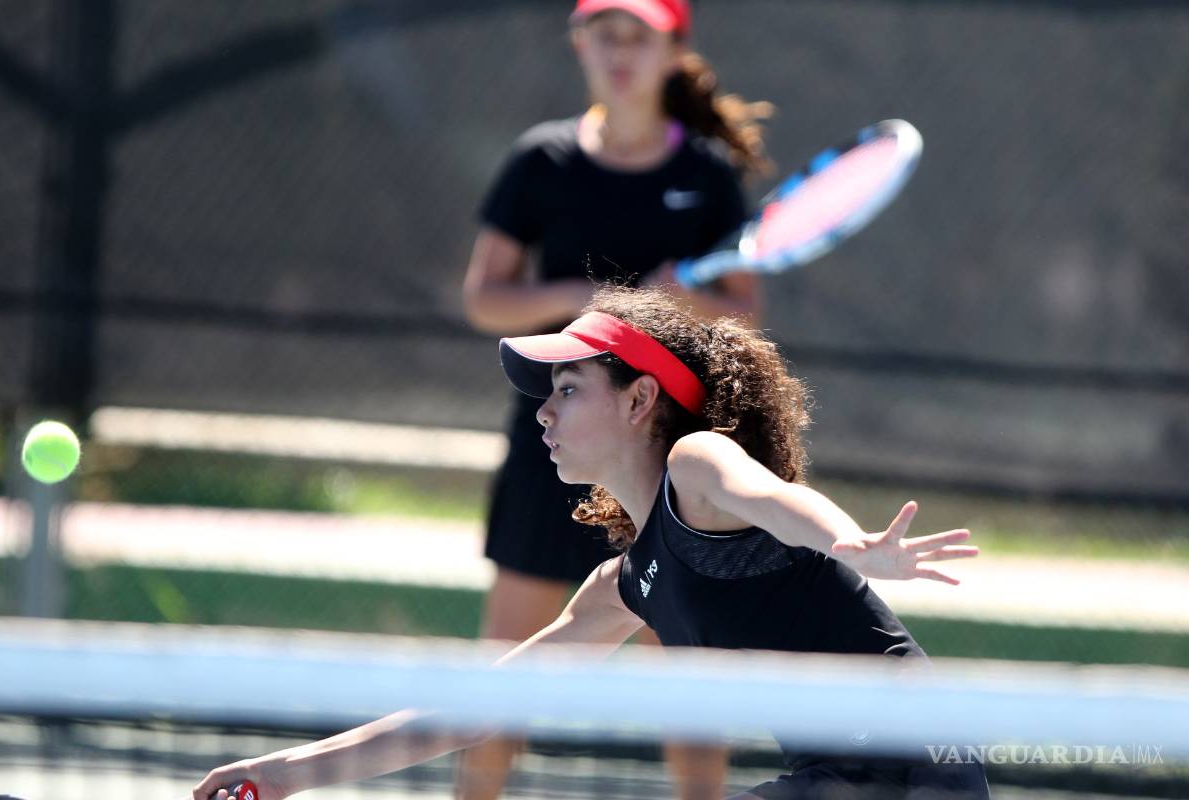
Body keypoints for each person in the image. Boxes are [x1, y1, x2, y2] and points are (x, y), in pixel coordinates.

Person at [193, 286, 991, 800]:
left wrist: (855, 545)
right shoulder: (623, 586)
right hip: (831, 780)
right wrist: (286, 774)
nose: (544, 412)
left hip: (917, 765)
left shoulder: (696, 464)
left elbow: (778, 501)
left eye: (568, 389)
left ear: (641, 398)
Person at [461, 0, 771, 795]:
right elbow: (486, 299)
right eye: (605, 36)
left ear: (674, 51)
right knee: (505, 676)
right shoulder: (541, 161)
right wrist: (604, 295)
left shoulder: (705, 177)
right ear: (579, 47)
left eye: (640, 37)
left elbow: (742, 310)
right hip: (551, 445)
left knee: (688, 691)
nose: (621, 53)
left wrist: (682, 304)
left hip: (661, 461)